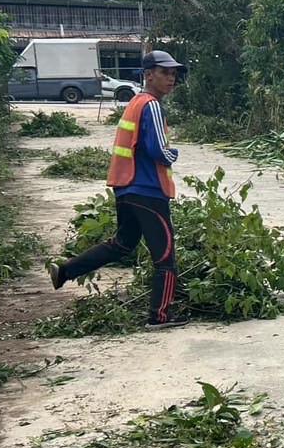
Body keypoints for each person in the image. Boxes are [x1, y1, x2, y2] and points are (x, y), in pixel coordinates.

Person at [48, 50, 186, 329]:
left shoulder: (134, 103)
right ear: (148, 75)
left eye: (173, 73)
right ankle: (159, 317)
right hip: (148, 189)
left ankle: (65, 270)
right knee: (165, 256)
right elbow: (158, 150)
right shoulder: (152, 105)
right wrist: (173, 154)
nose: (171, 78)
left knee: (123, 244)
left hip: (126, 189)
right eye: (164, 73)